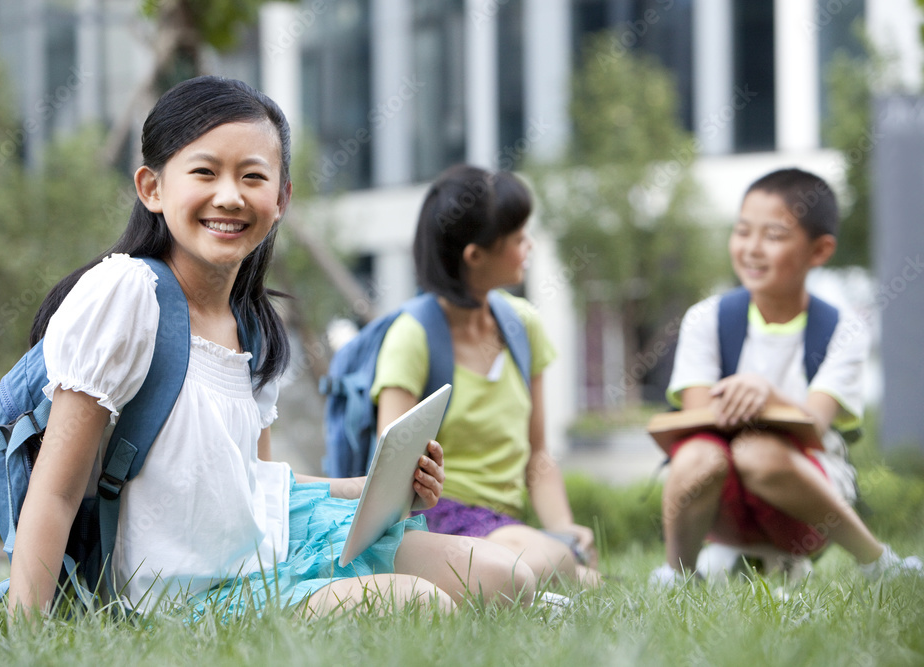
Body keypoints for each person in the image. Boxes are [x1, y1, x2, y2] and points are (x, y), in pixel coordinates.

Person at [7, 77, 537, 621]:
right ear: (152, 188)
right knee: (422, 605)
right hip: (181, 599)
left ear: (281, 198)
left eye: (253, 176)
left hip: (265, 551)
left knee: (505, 576)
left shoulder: (253, 322)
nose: (231, 196)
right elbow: (56, 492)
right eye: (205, 172)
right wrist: (24, 639)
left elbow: (249, 479)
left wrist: (374, 488)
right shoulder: (127, 294)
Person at [652, 167, 922, 586]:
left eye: (774, 236)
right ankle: (678, 575)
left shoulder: (842, 328)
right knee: (696, 456)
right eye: (742, 231)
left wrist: (768, 395)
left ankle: (876, 563)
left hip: (804, 504)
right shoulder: (708, 319)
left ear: (819, 251)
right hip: (723, 500)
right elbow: (697, 417)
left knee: (757, 452)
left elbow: (815, 423)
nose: (752, 249)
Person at [372, 164, 601, 590]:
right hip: (437, 518)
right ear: (475, 256)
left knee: (569, 563)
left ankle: (536, 578)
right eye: (517, 238)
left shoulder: (522, 326)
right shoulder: (413, 337)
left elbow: (538, 455)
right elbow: (391, 472)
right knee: (561, 568)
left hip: (505, 526)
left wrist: (564, 528)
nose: (528, 246)